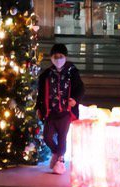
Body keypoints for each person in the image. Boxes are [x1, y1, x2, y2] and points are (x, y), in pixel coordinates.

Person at [35, 42, 84, 173]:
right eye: (55, 56)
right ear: (51, 57)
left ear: (65, 57)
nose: (58, 59)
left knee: (62, 137)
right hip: (50, 112)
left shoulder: (71, 72)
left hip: (65, 112)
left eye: (60, 56)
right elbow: (41, 93)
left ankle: (60, 161)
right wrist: (39, 108)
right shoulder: (46, 74)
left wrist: (75, 100)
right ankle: (56, 153)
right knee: (47, 136)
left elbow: (80, 88)